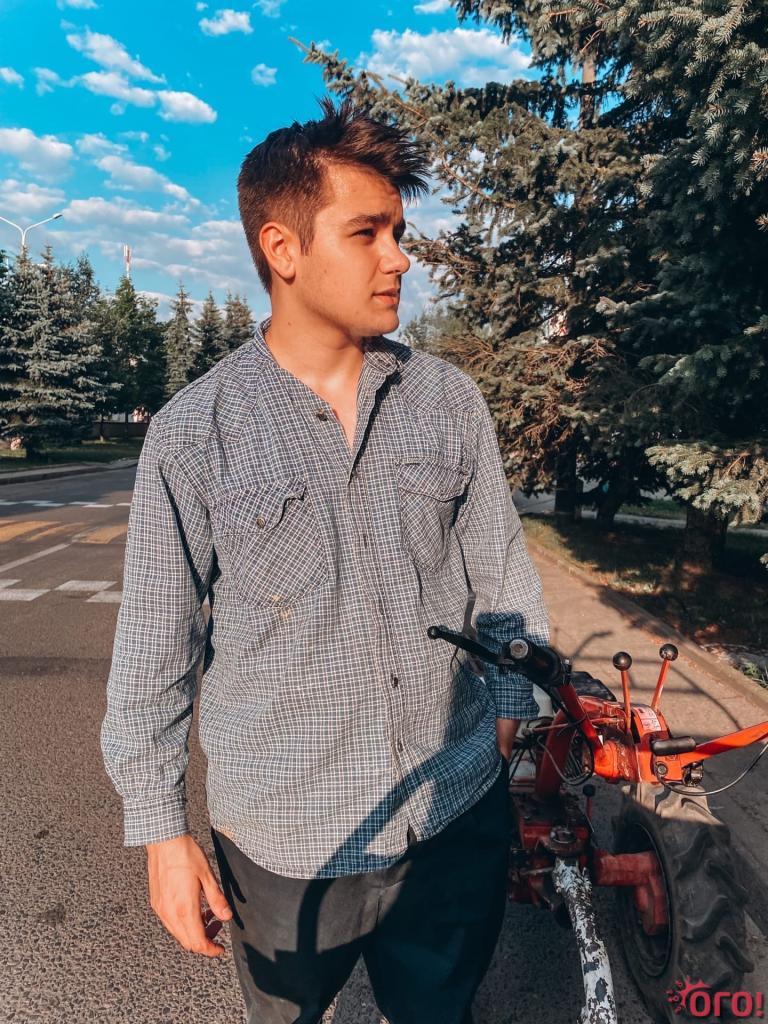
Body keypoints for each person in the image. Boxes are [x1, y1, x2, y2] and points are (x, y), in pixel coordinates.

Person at [101, 96, 550, 1024]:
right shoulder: (194, 434)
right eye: (367, 232)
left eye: (399, 231)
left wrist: (510, 716)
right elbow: (153, 648)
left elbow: (501, 572)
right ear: (284, 249)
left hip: (452, 815)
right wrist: (160, 834)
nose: (400, 257)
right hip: (286, 845)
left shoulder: (447, 402)